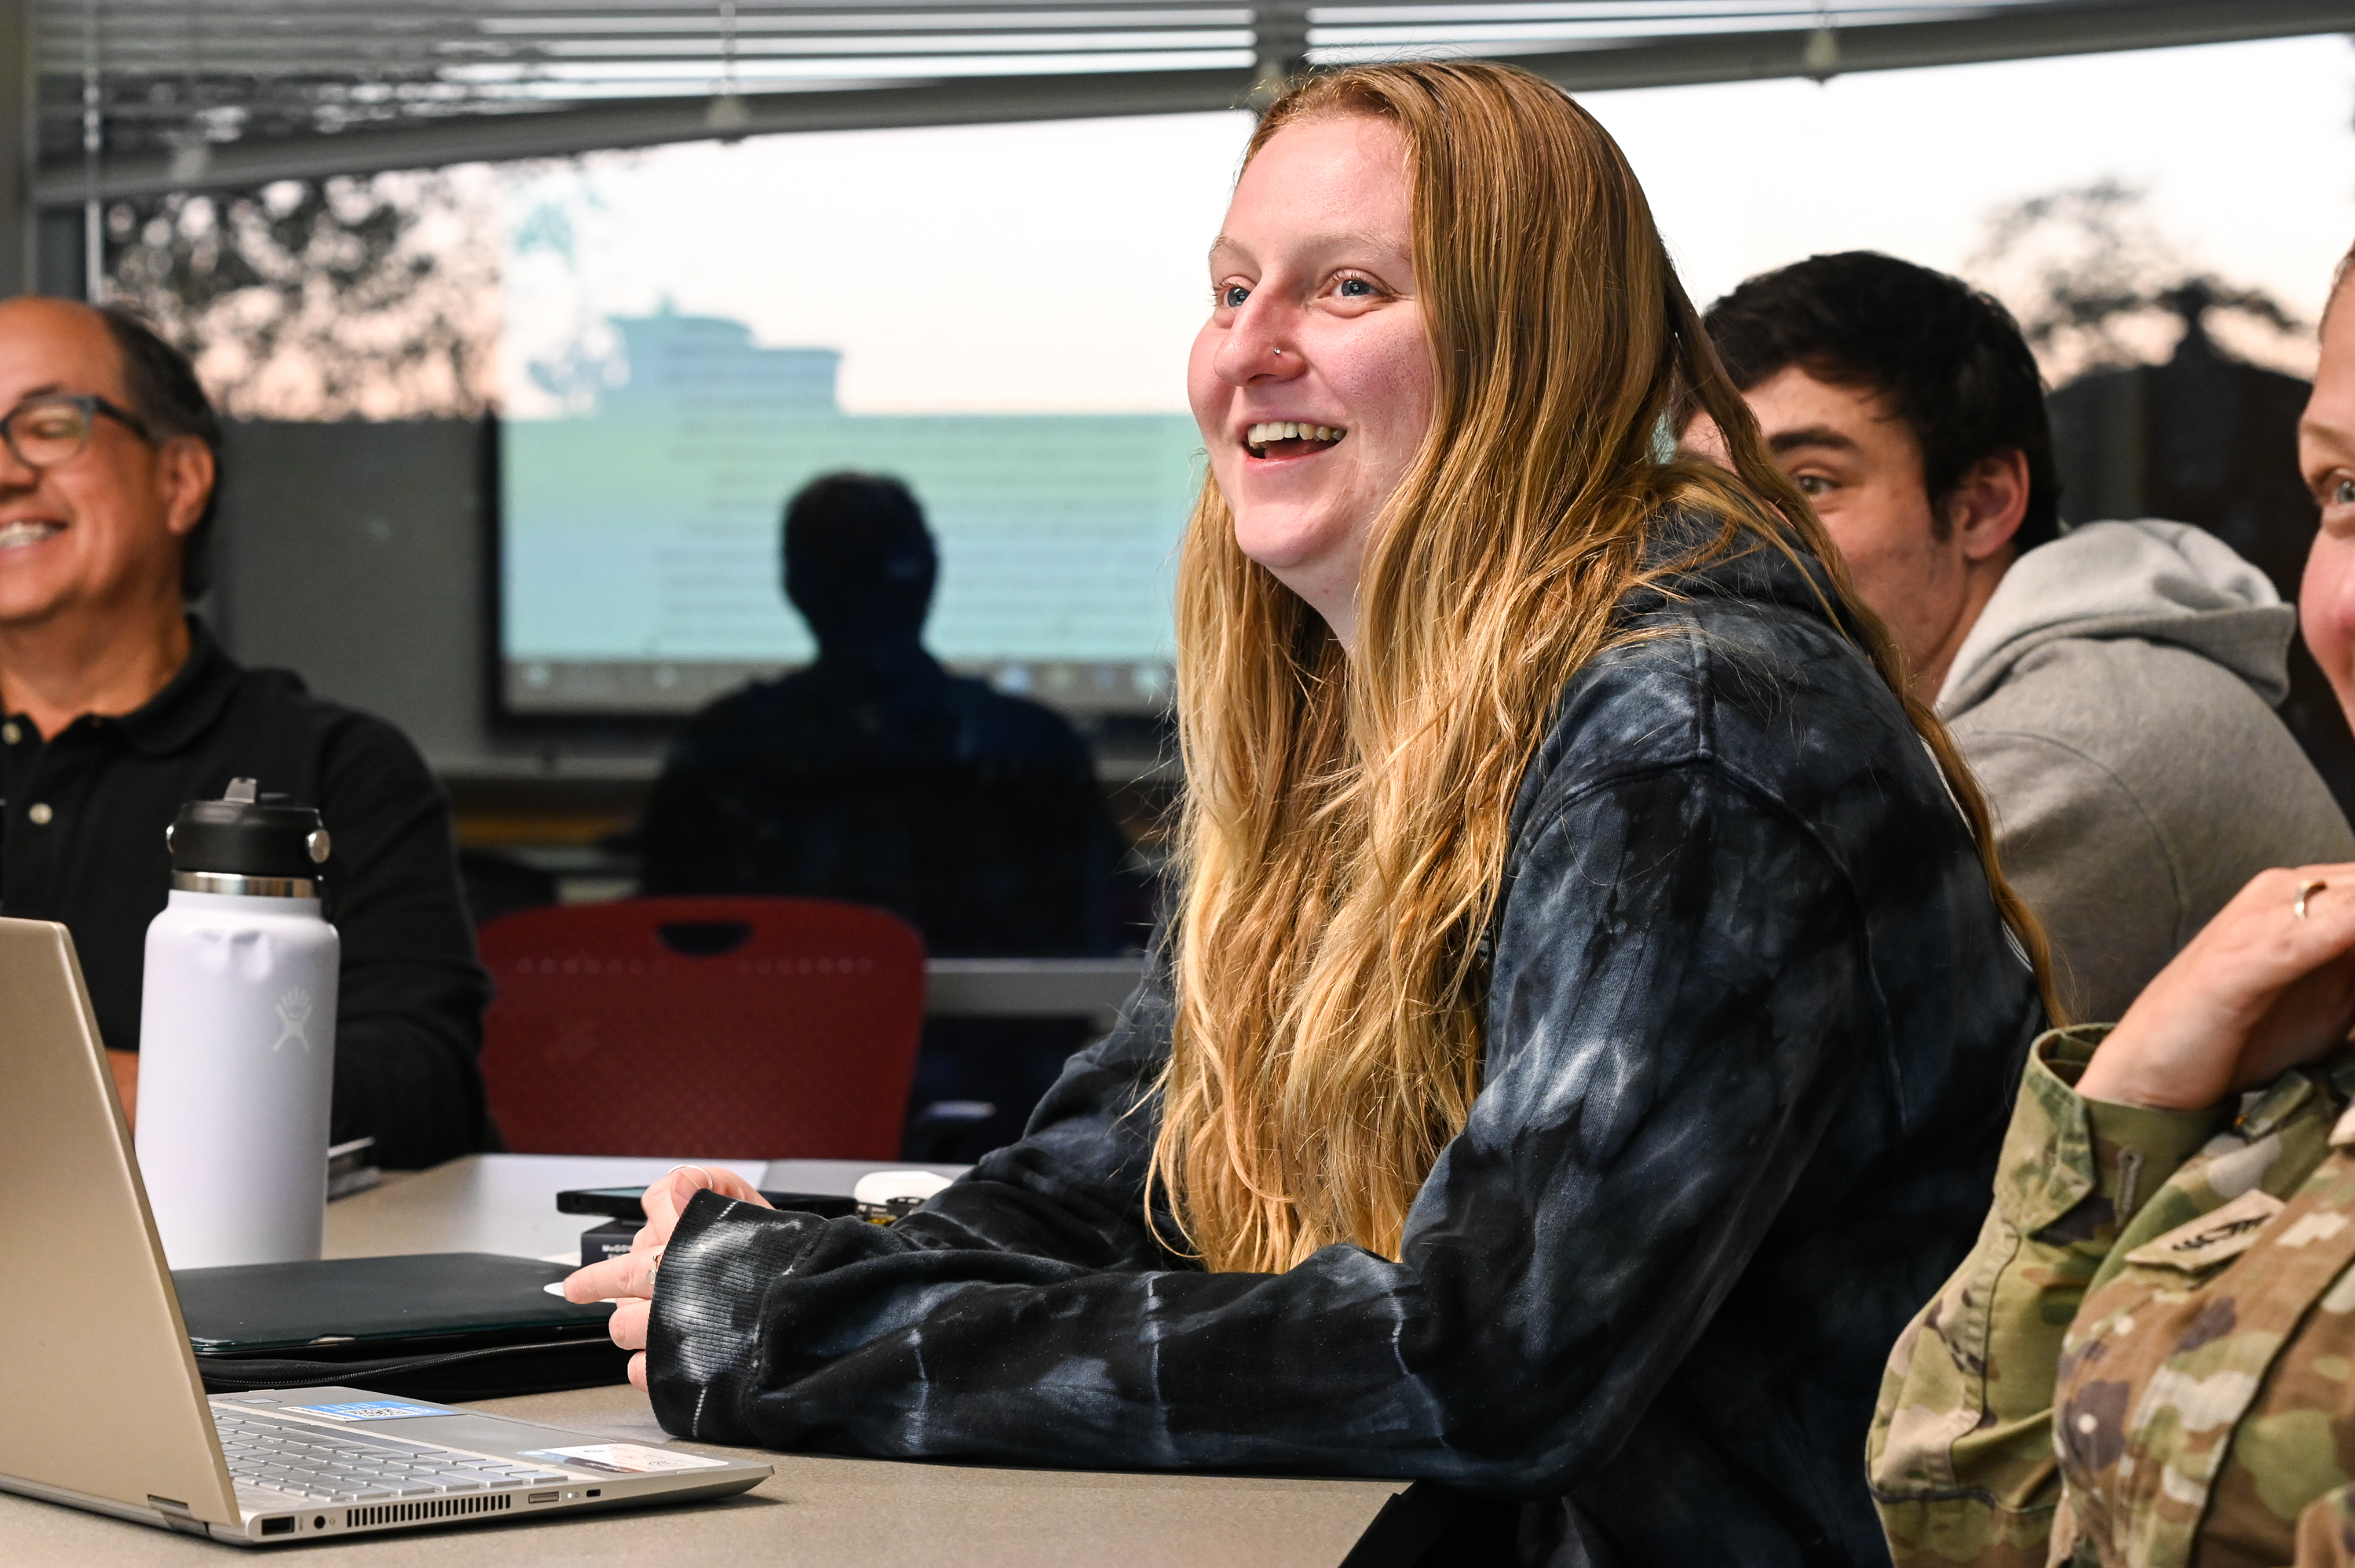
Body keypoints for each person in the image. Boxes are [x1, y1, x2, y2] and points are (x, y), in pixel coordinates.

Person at [569, 62, 2046, 1563]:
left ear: (1538, 348)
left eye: (1346, 289)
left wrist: (811, 1333)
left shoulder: (1696, 728)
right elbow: (1132, 1165)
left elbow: (1488, 1356)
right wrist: (800, 1271)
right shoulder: (1363, 713)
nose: (1249, 350)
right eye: (1228, 291)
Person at [1868, 246, 2355, 1568]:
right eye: (2347, 491)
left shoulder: (2060, 762)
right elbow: (1967, 1510)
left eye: (1811, 485)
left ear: (1985, 506)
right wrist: (2128, 1079)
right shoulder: (2306, 1038)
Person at [1693, 252, 2353, 1024]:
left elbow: (1718, 1072)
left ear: (1982, 505)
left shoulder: (2072, 752)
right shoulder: (1930, 730)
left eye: (1810, 485)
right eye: (1707, 494)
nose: (1731, 544)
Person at [0, 297, 492, 1169]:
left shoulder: (335, 770)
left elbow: (421, 1091)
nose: (4, 473)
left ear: (180, 481)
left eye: (44, 426)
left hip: (232, 1287)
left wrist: (64, 1095)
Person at [636, 470, 1126, 959]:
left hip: (774, 1035)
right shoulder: (1033, 744)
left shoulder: (723, 747)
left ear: (794, 584)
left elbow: (670, 947)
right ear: (930, 570)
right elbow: (1108, 927)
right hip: (1008, 1038)